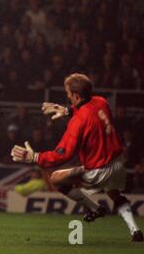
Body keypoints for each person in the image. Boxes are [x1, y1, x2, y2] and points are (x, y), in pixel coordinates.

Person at [11, 73, 143, 242]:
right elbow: (89, 107)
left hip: (97, 170)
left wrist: (35, 157)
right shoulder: (102, 102)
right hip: (117, 165)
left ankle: (95, 209)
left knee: (56, 178)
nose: (67, 96)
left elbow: (62, 154)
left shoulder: (78, 121)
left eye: (68, 94)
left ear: (76, 95)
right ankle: (135, 230)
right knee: (114, 193)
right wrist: (67, 110)